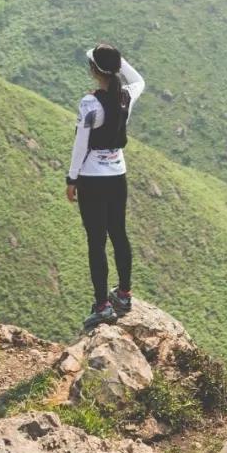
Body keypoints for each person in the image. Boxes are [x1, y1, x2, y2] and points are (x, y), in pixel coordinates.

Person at [66, 43, 145, 329]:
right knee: (119, 234)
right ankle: (124, 294)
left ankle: (102, 306)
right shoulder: (126, 96)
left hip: (91, 178)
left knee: (96, 242)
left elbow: (80, 145)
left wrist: (72, 179)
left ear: (93, 70)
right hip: (118, 175)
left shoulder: (89, 104)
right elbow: (139, 80)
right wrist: (117, 61)